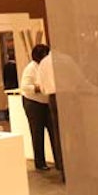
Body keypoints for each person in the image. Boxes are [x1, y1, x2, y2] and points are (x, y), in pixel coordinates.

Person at [20, 44, 55, 171]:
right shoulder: (30, 68)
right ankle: (40, 163)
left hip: (46, 102)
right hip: (33, 103)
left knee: (54, 132)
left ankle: (58, 160)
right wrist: (39, 88)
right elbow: (25, 87)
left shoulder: (46, 67)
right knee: (37, 133)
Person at [37, 50, 65, 180]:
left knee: (58, 135)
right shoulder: (66, 59)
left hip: (52, 99)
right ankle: (73, 170)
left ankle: (63, 169)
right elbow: (79, 81)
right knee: (72, 136)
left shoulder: (43, 63)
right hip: (67, 97)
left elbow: (42, 87)